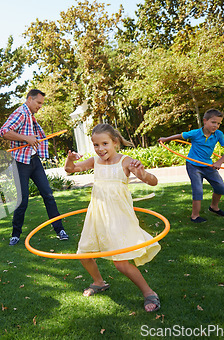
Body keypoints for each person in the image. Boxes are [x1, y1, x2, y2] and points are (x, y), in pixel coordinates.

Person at [64, 123, 161, 312]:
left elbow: (153, 182)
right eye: (96, 145)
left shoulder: (125, 161)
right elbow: (71, 170)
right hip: (97, 216)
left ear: (115, 142)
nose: (100, 149)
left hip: (119, 218)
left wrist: (142, 173)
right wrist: (69, 159)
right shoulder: (94, 162)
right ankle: (99, 282)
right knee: (84, 253)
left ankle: (149, 293)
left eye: (105, 144)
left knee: (121, 263)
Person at [0, 89, 68, 246]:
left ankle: (60, 229)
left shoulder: (30, 115)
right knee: (22, 200)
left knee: (48, 195)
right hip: (21, 162)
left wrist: (33, 139)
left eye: (42, 104)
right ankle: (16, 234)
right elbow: (3, 132)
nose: (40, 106)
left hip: (34, 160)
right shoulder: (21, 113)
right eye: (38, 103)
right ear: (29, 99)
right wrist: (26, 138)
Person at [158, 109, 224, 223]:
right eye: (213, 122)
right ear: (205, 121)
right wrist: (165, 139)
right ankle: (195, 216)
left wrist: (219, 162)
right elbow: (179, 136)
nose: (216, 125)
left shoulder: (218, 134)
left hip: (208, 165)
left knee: (220, 187)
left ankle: (214, 207)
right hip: (193, 165)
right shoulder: (195, 133)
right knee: (198, 190)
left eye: (218, 123)